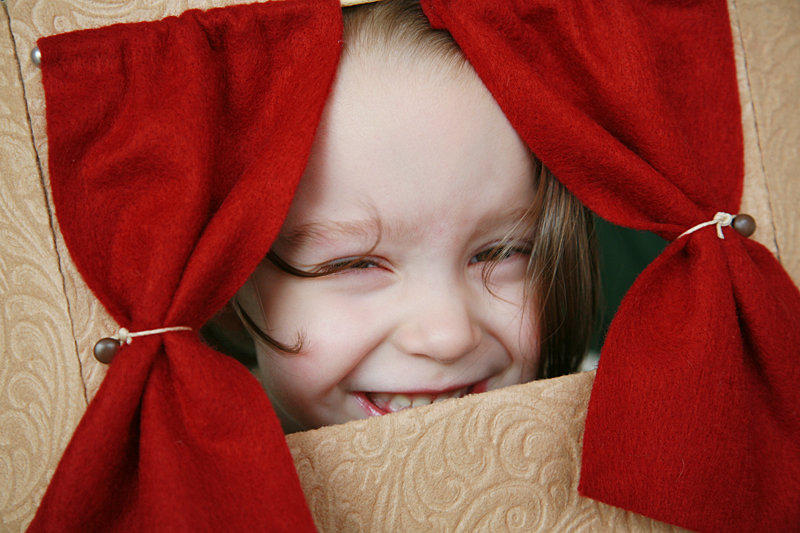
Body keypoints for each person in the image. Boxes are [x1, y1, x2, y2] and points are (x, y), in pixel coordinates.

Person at [210, 0, 598, 433]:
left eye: (500, 252)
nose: (449, 337)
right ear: (226, 288)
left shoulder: (609, 409)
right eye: (356, 264)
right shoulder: (185, 461)